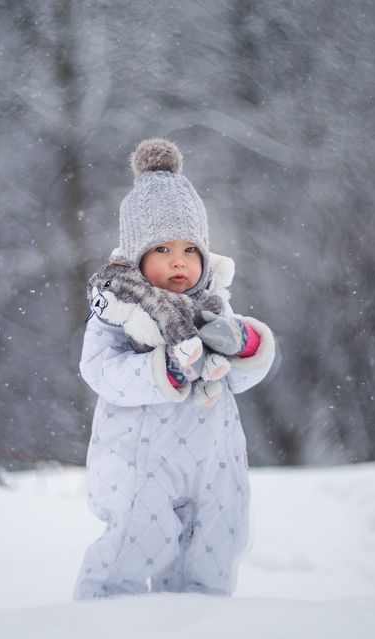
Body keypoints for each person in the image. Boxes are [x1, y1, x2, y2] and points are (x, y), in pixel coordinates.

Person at [72, 138, 277, 599]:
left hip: (214, 459)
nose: (178, 260)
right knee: (135, 542)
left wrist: (243, 345)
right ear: (135, 256)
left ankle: (199, 631)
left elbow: (238, 380)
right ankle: (102, 628)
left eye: (189, 248)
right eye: (162, 248)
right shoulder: (118, 309)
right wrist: (162, 370)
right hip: (140, 460)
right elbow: (100, 369)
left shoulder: (213, 305)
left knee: (217, 545)